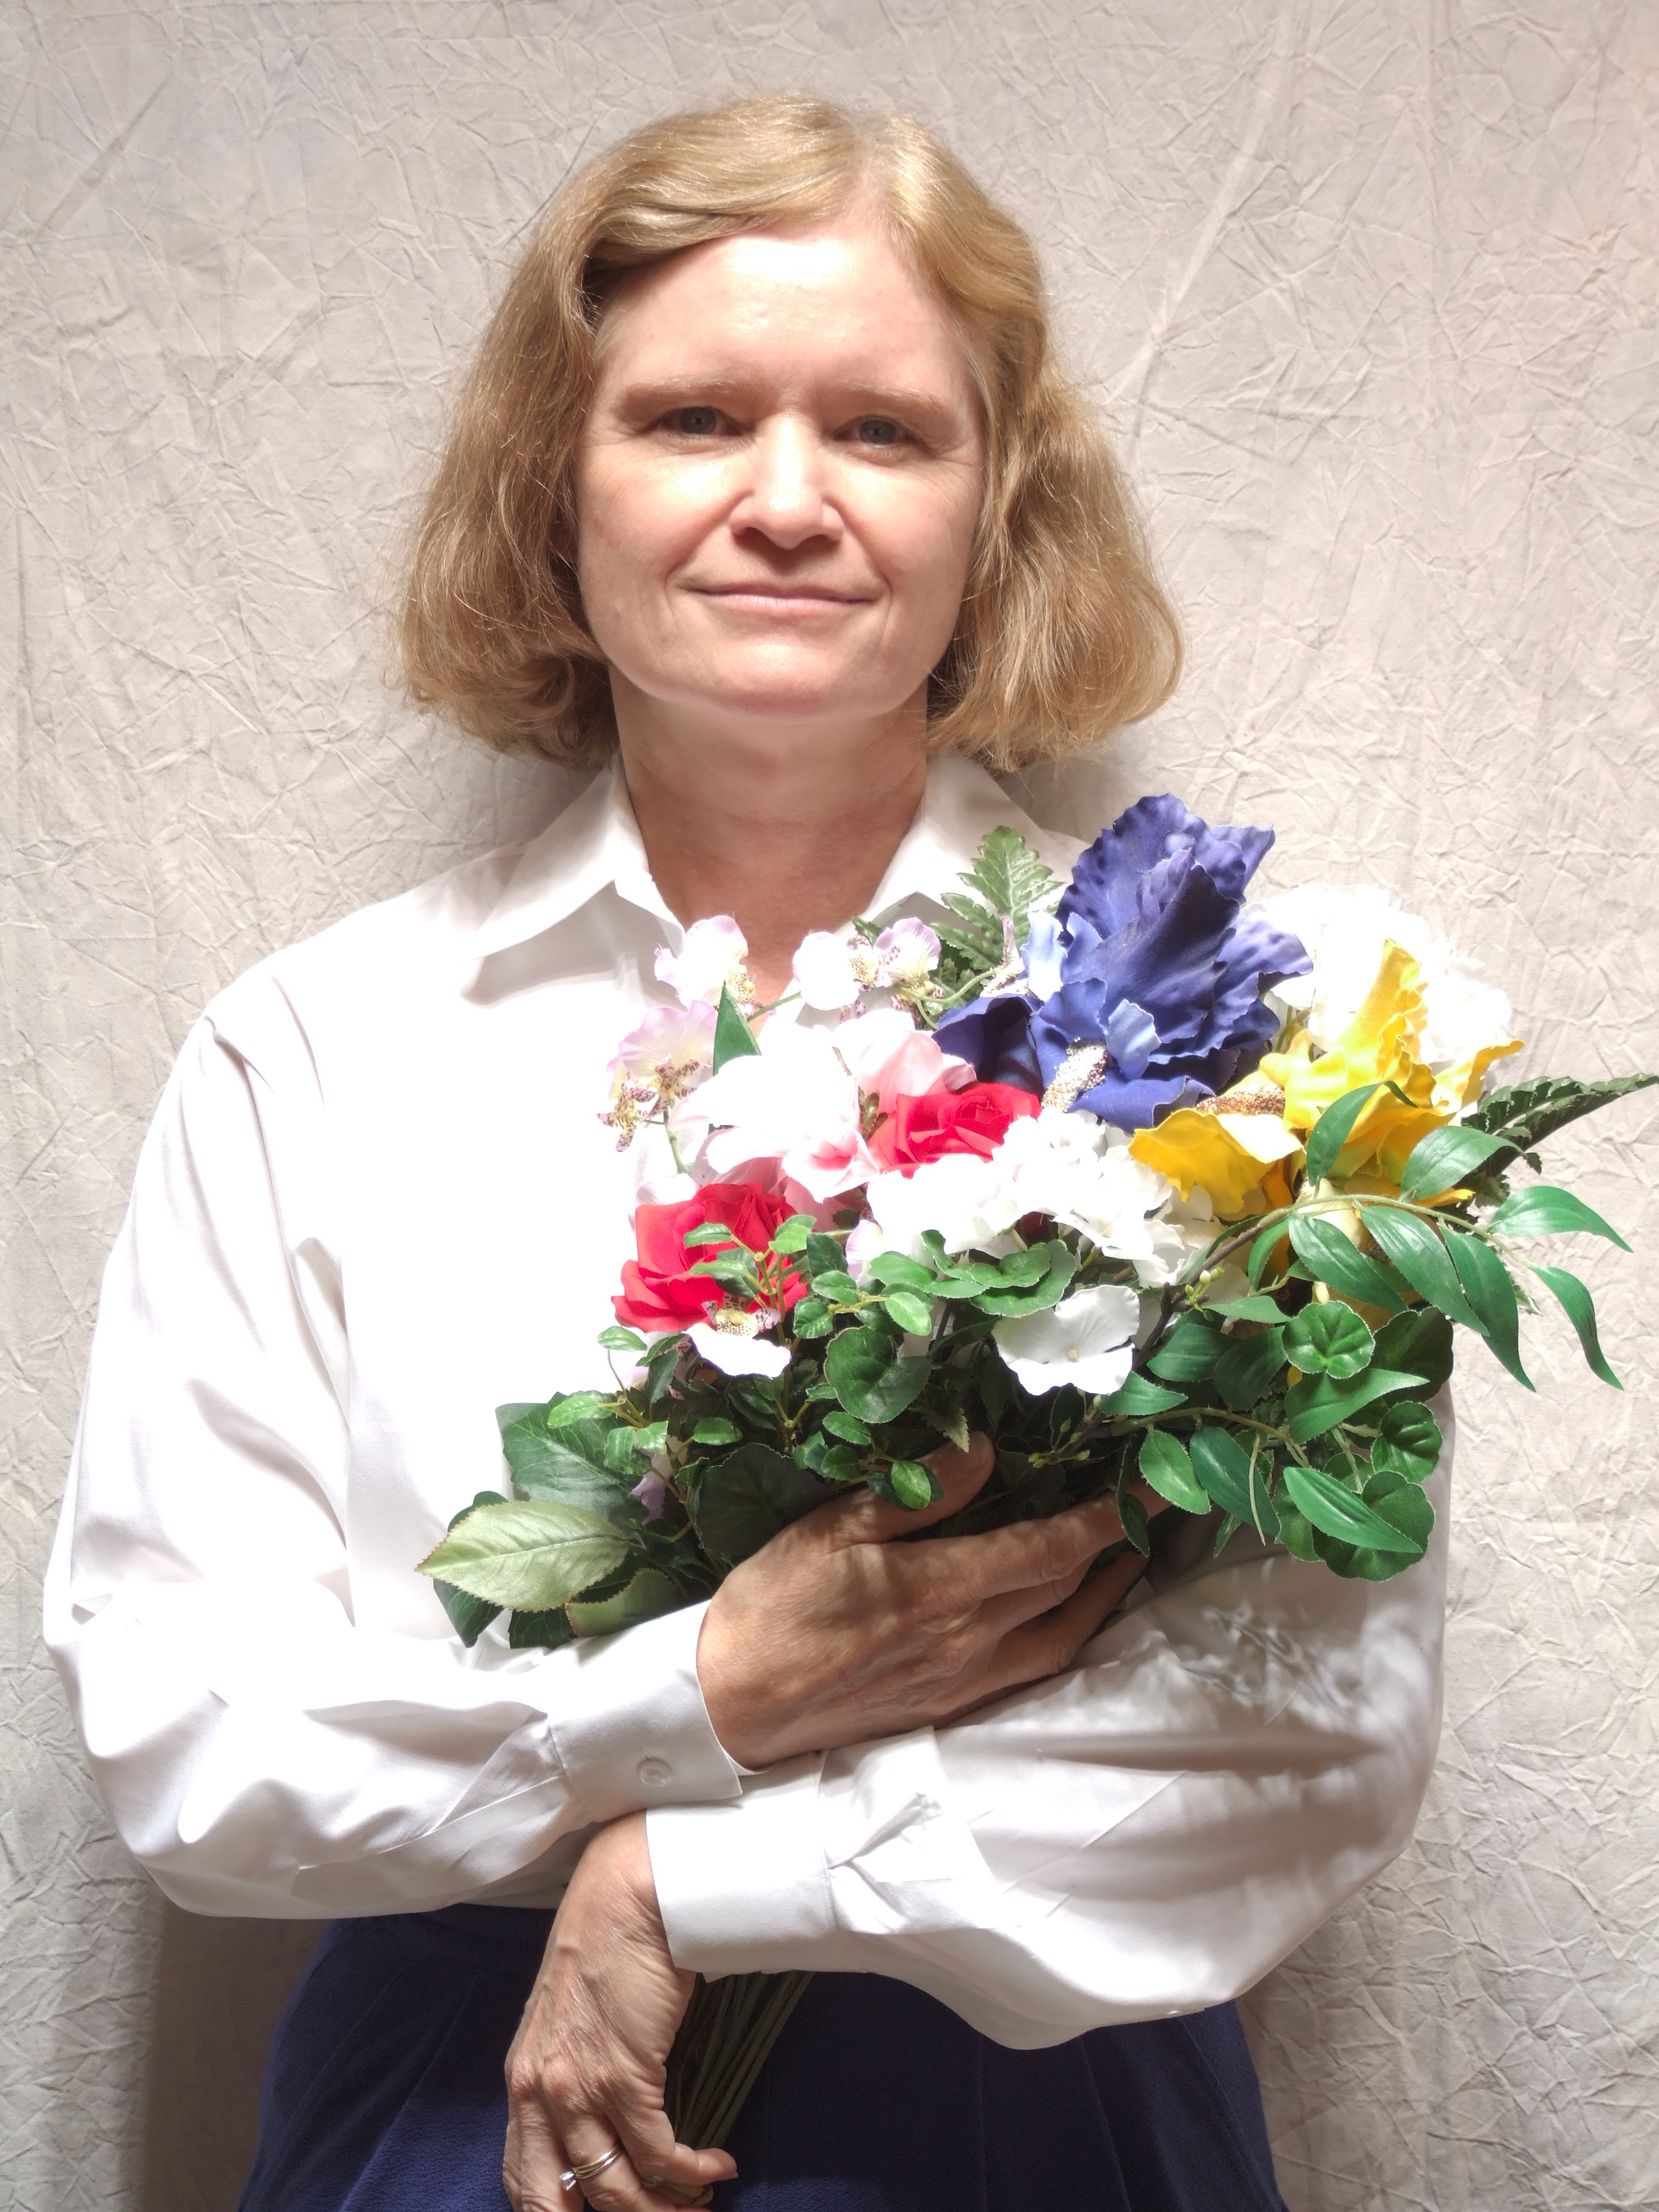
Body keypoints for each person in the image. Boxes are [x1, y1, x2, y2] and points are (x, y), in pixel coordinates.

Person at [44, 95, 1447, 2212]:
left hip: (1041, 2116)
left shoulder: (1256, 1060)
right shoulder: (316, 1050)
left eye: (884, 431)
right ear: (558, 484)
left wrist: (687, 1880)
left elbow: (1307, 1735)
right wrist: (687, 1698)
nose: (787, 502)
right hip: (470, 2113)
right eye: (693, 418)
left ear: (998, 508)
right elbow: (183, 1739)